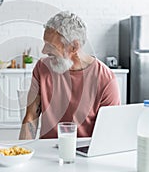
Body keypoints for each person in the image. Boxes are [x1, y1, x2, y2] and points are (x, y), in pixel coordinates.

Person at [19, 11, 120, 140]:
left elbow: (109, 133)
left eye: (50, 46)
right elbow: (31, 116)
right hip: (46, 150)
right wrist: (21, 154)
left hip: (85, 153)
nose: (44, 51)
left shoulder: (105, 79)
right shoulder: (42, 68)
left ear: (74, 46)